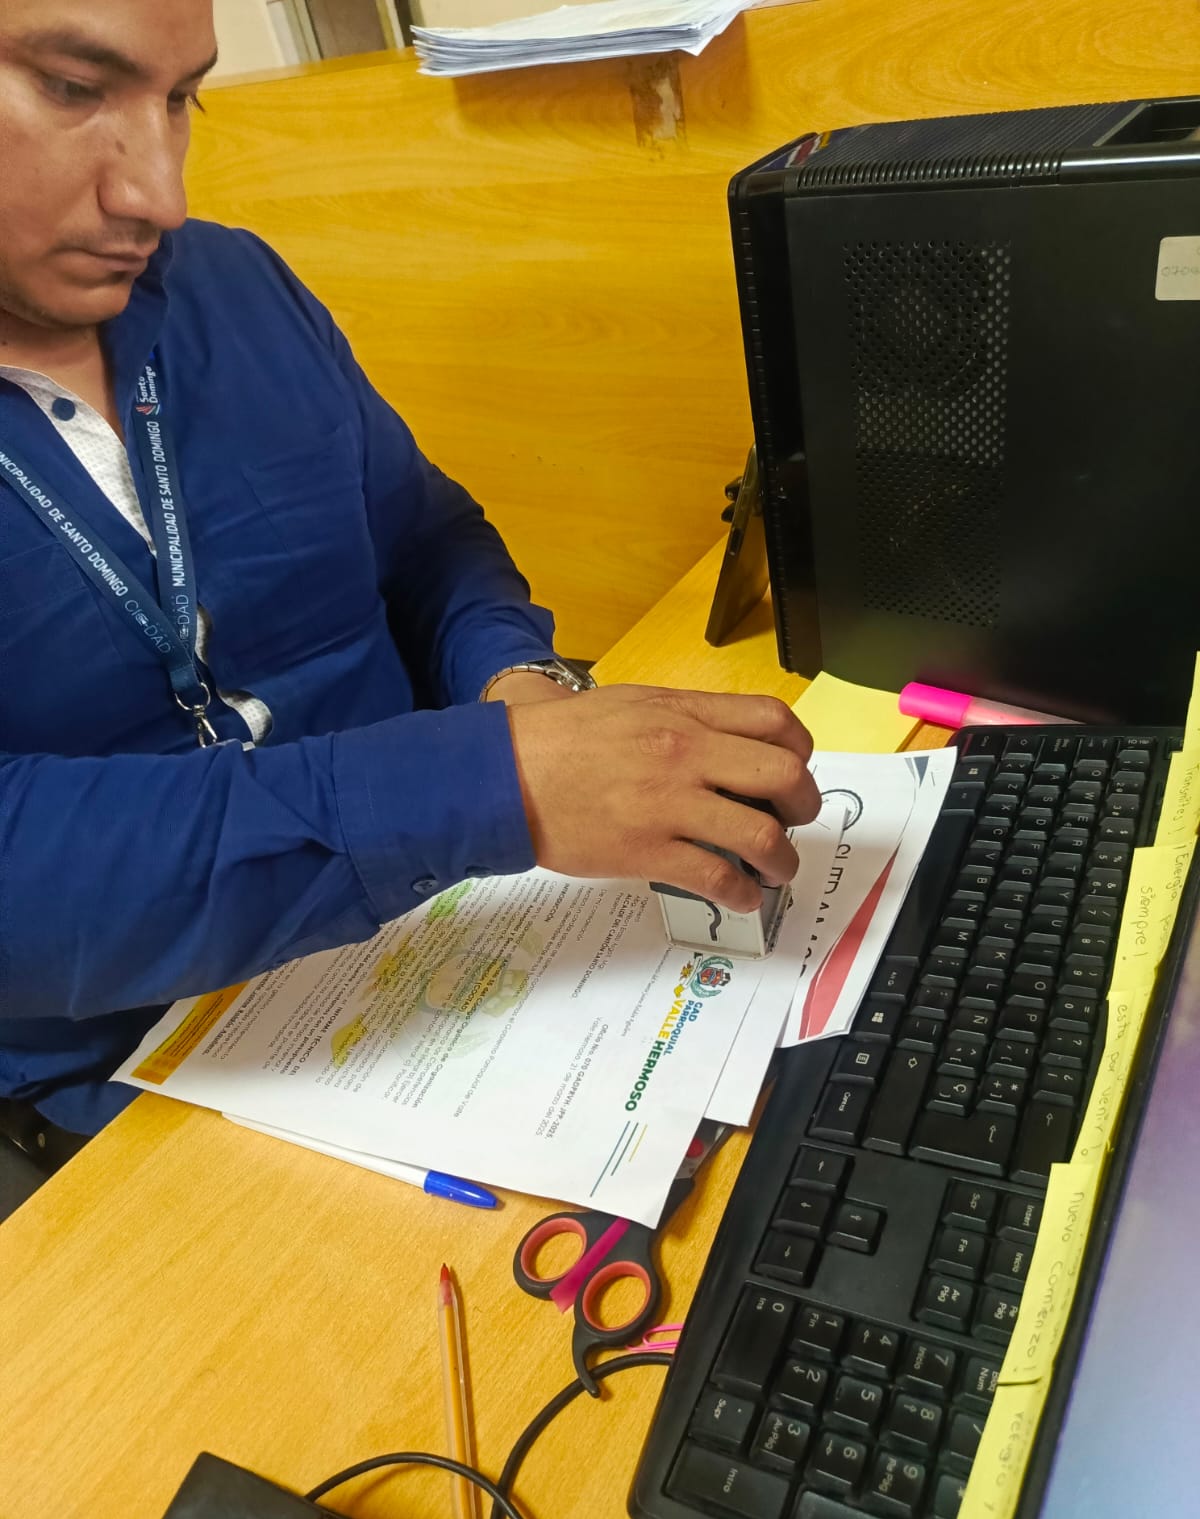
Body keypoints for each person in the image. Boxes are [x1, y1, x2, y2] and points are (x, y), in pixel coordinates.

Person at [0, 0, 820, 1211]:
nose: (158, 196)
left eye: (181, 98)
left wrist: (522, 691)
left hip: (443, 937)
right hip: (140, 1081)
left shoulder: (236, 284)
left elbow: (426, 540)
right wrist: (489, 783)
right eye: (75, 89)